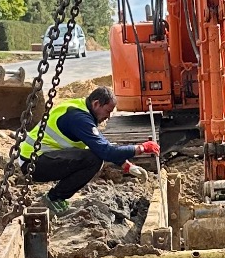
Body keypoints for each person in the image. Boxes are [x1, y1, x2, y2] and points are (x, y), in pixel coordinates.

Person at [19, 86, 156, 211]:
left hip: (39, 158)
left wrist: (126, 165)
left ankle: (56, 197)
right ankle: (54, 198)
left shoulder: (81, 109)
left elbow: (100, 146)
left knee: (94, 155)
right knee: (94, 160)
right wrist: (141, 148)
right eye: (107, 111)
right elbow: (106, 152)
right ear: (96, 104)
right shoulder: (79, 119)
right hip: (33, 165)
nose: (108, 117)